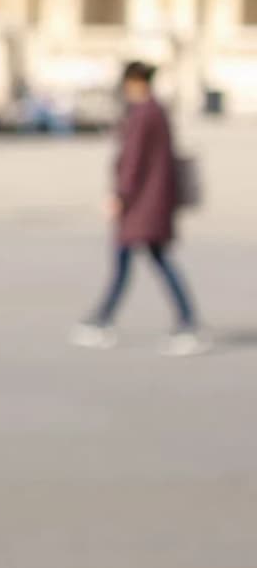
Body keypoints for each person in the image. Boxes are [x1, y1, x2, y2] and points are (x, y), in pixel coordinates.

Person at [71, 61, 206, 356]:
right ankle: (109, 319)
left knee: (131, 262)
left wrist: (120, 195)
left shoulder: (142, 114)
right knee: (149, 261)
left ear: (134, 82)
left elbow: (132, 161)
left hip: (140, 205)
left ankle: (106, 321)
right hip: (154, 203)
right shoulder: (157, 111)